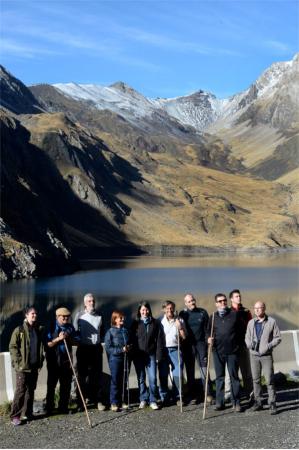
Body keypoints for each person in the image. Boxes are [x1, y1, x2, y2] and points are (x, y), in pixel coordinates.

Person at [9, 306, 44, 426]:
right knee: (20, 391)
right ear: (26, 315)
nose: (35, 315)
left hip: (34, 366)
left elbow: (41, 347)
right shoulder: (19, 330)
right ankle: (15, 416)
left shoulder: (38, 329)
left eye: (35, 313)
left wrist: (41, 361)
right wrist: (17, 363)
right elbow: (13, 347)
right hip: (22, 367)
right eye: (32, 314)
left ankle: (27, 413)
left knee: (31, 391)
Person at [208, 293, 243, 412]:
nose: (223, 303)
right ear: (216, 303)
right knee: (219, 378)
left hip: (232, 352)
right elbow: (208, 333)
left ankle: (236, 402)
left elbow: (241, 332)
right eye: (220, 301)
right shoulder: (212, 317)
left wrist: (238, 346)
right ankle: (220, 402)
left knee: (234, 377)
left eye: (224, 301)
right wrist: (208, 339)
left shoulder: (234, 315)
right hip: (218, 352)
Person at [245, 301, 281, 415]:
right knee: (256, 380)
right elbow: (247, 337)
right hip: (254, 356)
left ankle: (272, 403)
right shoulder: (251, 323)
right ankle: (258, 402)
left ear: (264, 309)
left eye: (259, 308)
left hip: (266, 356)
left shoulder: (271, 322)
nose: (256, 310)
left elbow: (278, 337)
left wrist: (268, 346)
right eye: (255, 308)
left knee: (269, 380)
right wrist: (249, 345)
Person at [130, 301, 165, 410]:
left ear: (149, 310)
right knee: (141, 378)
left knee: (153, 378)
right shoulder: (135, 324)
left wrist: (159, 355)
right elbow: (132, 339)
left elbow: (159, 340)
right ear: (139, 311)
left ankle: (153, 400)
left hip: (151, 355)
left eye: (146, 309)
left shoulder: (155, 323)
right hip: (138, 355)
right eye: (142, 310)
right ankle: (143, 399)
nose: (144, 312)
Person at [73, 293, 105, 411]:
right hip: (83, 349)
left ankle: (98, 400)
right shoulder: (79, 316)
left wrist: (98, 342)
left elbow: (102, 331)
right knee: (81, 376)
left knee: (97, 375)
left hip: (96, 349)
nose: (92, 303)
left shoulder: (100, 315)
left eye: (93, 301)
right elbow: (75, 332)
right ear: (85, 303)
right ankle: (80, 402)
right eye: (90, 301)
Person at [179, 293, 213, 404]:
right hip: (188, 346)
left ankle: (207, 393)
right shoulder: (182, 314)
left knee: (204, 370)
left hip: (201, 345)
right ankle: (192, 395)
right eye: (189, 301)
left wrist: (208, 338)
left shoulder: (202, 312)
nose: (192, 302)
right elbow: (180, 329)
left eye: (193, 300)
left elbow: (207, 329)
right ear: (185, 303)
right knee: (190, 371)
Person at [45, 307, 79, 415]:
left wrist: (68, 338)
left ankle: (63, 407)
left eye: (67, 316)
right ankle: (49, 408)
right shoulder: (50, 327)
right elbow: (48, 344)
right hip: (53, 361)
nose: (66, 318)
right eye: (63, 316)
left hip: (66, 361)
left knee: (66, 385)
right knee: (51, 386)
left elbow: (77, 341)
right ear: (57, 317)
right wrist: (58, 339)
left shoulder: (70, 328)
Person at [224, 289, 253, 402]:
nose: (239, 298)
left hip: (243, 345)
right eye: (236, 296)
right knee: (230, 372)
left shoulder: (246, 311)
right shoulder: (227, 312)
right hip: (231, 347)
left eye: (239, 296)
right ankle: (228, 393)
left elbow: (251, 327)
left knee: (246, 371)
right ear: (231, 299)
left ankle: (249, 393)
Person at [158, 301, 187, 406]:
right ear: (164, 309)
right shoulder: (160, 321)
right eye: (167, 308)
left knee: (177, 373)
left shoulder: (179, 320)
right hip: (164, 350)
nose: (170, 310)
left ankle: (178, 396)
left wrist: (180, 327)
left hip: (175, 349)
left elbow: (184, 337)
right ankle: (164, 397)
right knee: (163, 374)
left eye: (171, 308)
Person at [104, 310, 130, 412]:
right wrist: (121, 350)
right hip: (115, 359)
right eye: (120, 318)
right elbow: (108, 348)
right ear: (115, 319)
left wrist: (129, 348)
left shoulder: (125, 331)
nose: (123, 319)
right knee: (115, 380)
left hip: (125, 358)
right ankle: (114, 403)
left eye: (123, 317)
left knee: (124, 380)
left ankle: (122, 401)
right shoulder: (110, 332)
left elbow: (130, 342)